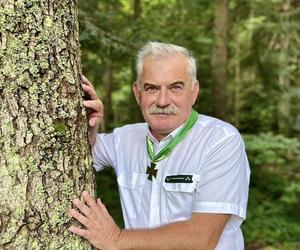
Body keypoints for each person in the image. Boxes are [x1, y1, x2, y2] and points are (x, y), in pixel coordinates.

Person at [68, 42, 250, 250]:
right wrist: (89, 124)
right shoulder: (123, 139)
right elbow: (77, 158)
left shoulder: (221, 140)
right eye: (152, 88)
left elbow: (202, 238)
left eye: (175, 87)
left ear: (194, 91)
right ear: (138, 94)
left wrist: (115, 238)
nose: (163, 101)